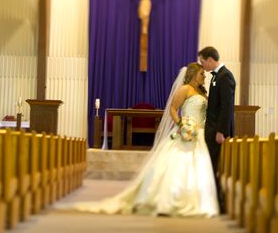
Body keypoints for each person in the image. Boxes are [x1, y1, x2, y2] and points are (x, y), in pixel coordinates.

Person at [74, 63, 219, 217]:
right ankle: (168, 199)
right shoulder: (184, 89)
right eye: (202, 74)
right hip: (186, 131)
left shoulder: (201, 92)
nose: (205, 76)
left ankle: (197, 200)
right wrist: (181, 124)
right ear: (193, 74)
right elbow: (173, 109)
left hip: (200, 133)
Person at [198, 46, 236, 212]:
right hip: (212, 129)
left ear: (210, 59)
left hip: (217, 132)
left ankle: (218, 204)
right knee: (211, 165)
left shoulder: (224, 76)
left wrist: (222, 131)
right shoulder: (217, 76)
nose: (203, 66)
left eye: (203, 62)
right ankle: (213, 202)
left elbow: (226, 107)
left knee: (215, 166)